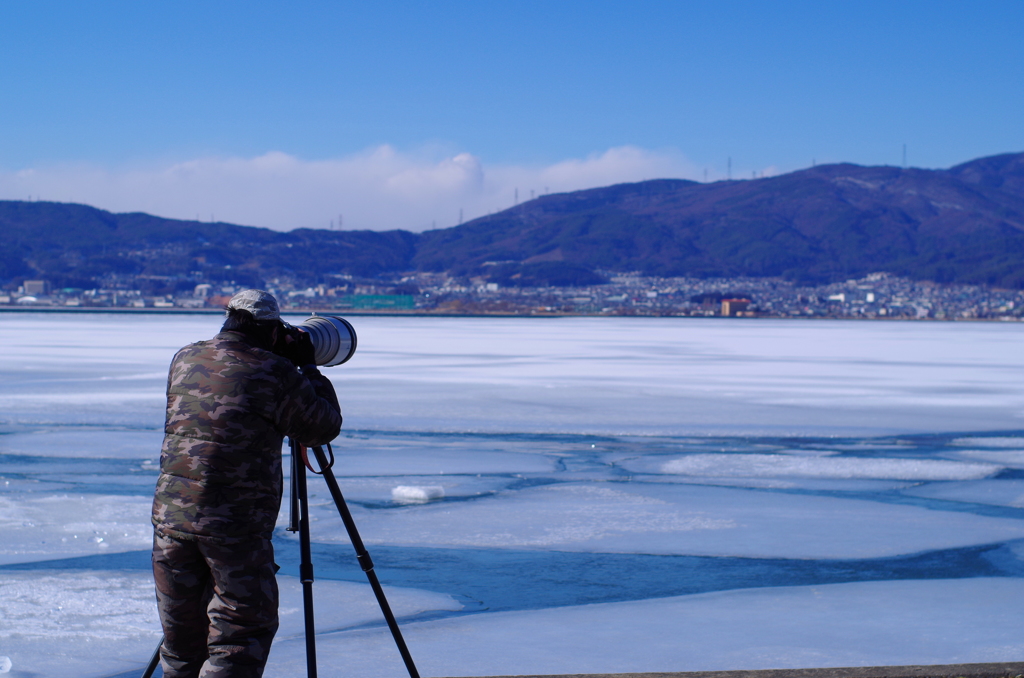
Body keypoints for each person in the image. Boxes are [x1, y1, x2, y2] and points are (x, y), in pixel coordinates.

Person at [151, 289, 342, 678]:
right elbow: (323, 425)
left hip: (172, 519)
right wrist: (308, 369)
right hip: (234, 526)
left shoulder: (186, 357)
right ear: (272, 330)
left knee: (182, 643)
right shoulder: (276, 372)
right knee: (239, 637)